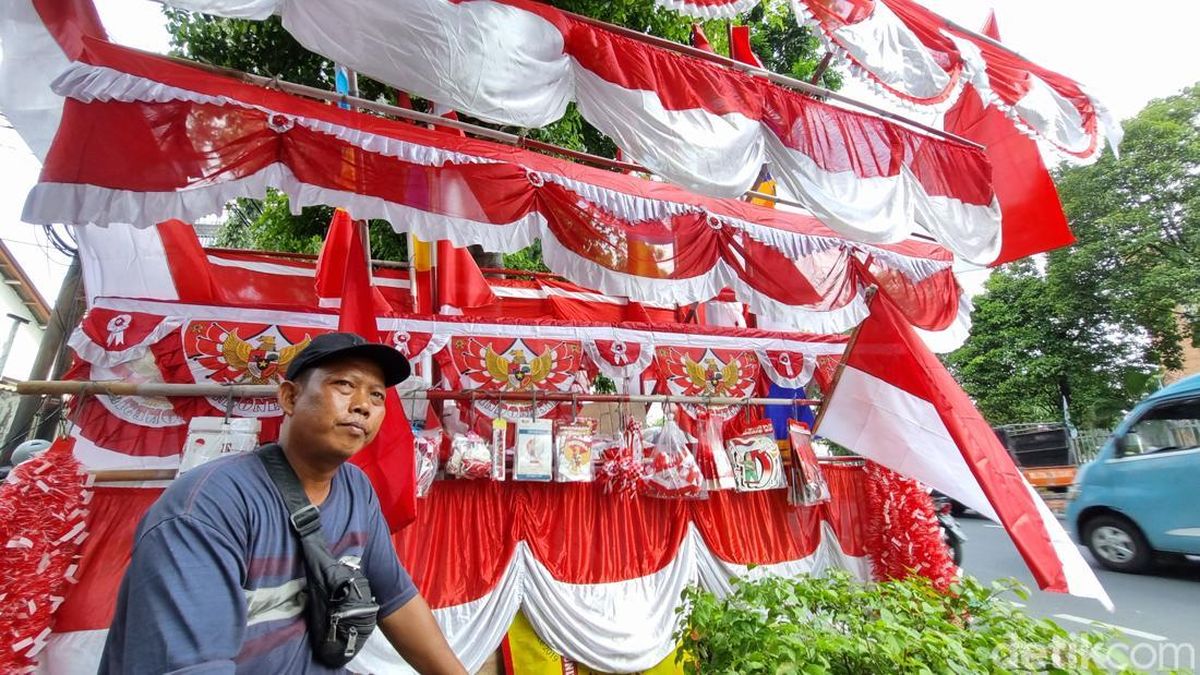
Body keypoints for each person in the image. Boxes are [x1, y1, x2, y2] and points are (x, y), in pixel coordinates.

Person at [100, 332, 466, 674]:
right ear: (289, 398)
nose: (362, 406)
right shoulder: (208, 508)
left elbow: (395, 599)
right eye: (344, 385)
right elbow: (193, 664)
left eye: (377, 396)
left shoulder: (356, 489)